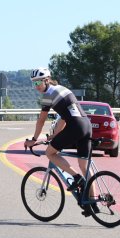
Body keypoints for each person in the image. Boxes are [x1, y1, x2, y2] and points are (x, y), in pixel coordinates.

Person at [23, 68, 95, 212]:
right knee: (84, 165)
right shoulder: (62, 89)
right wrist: (55, 135)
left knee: (50, 153)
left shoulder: (47, 96)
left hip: (75, 127)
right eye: (33, 84)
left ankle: (76, 178)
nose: (36, 87)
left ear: (47, 80)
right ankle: (91, 202)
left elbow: (41, 120)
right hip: (87, 125)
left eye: (38, 83)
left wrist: (34, 139)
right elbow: (63, 117)